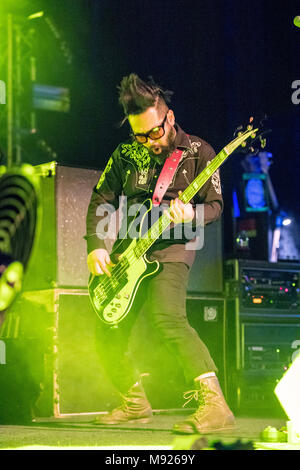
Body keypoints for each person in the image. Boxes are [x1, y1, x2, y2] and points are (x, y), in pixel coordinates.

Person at [85, 73, 235, 434]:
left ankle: (215, 404)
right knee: (105, 327)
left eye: (154, 132)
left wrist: (192, 213)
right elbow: (100, 199)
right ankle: (134, 402)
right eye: (140, 135)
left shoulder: (200, 152)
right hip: (127, 251)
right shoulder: (126, 152)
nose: (148, 142)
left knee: (166, 316)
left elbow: (216, 208)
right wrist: (95, 247)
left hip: (173, 247)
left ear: (169, 117)